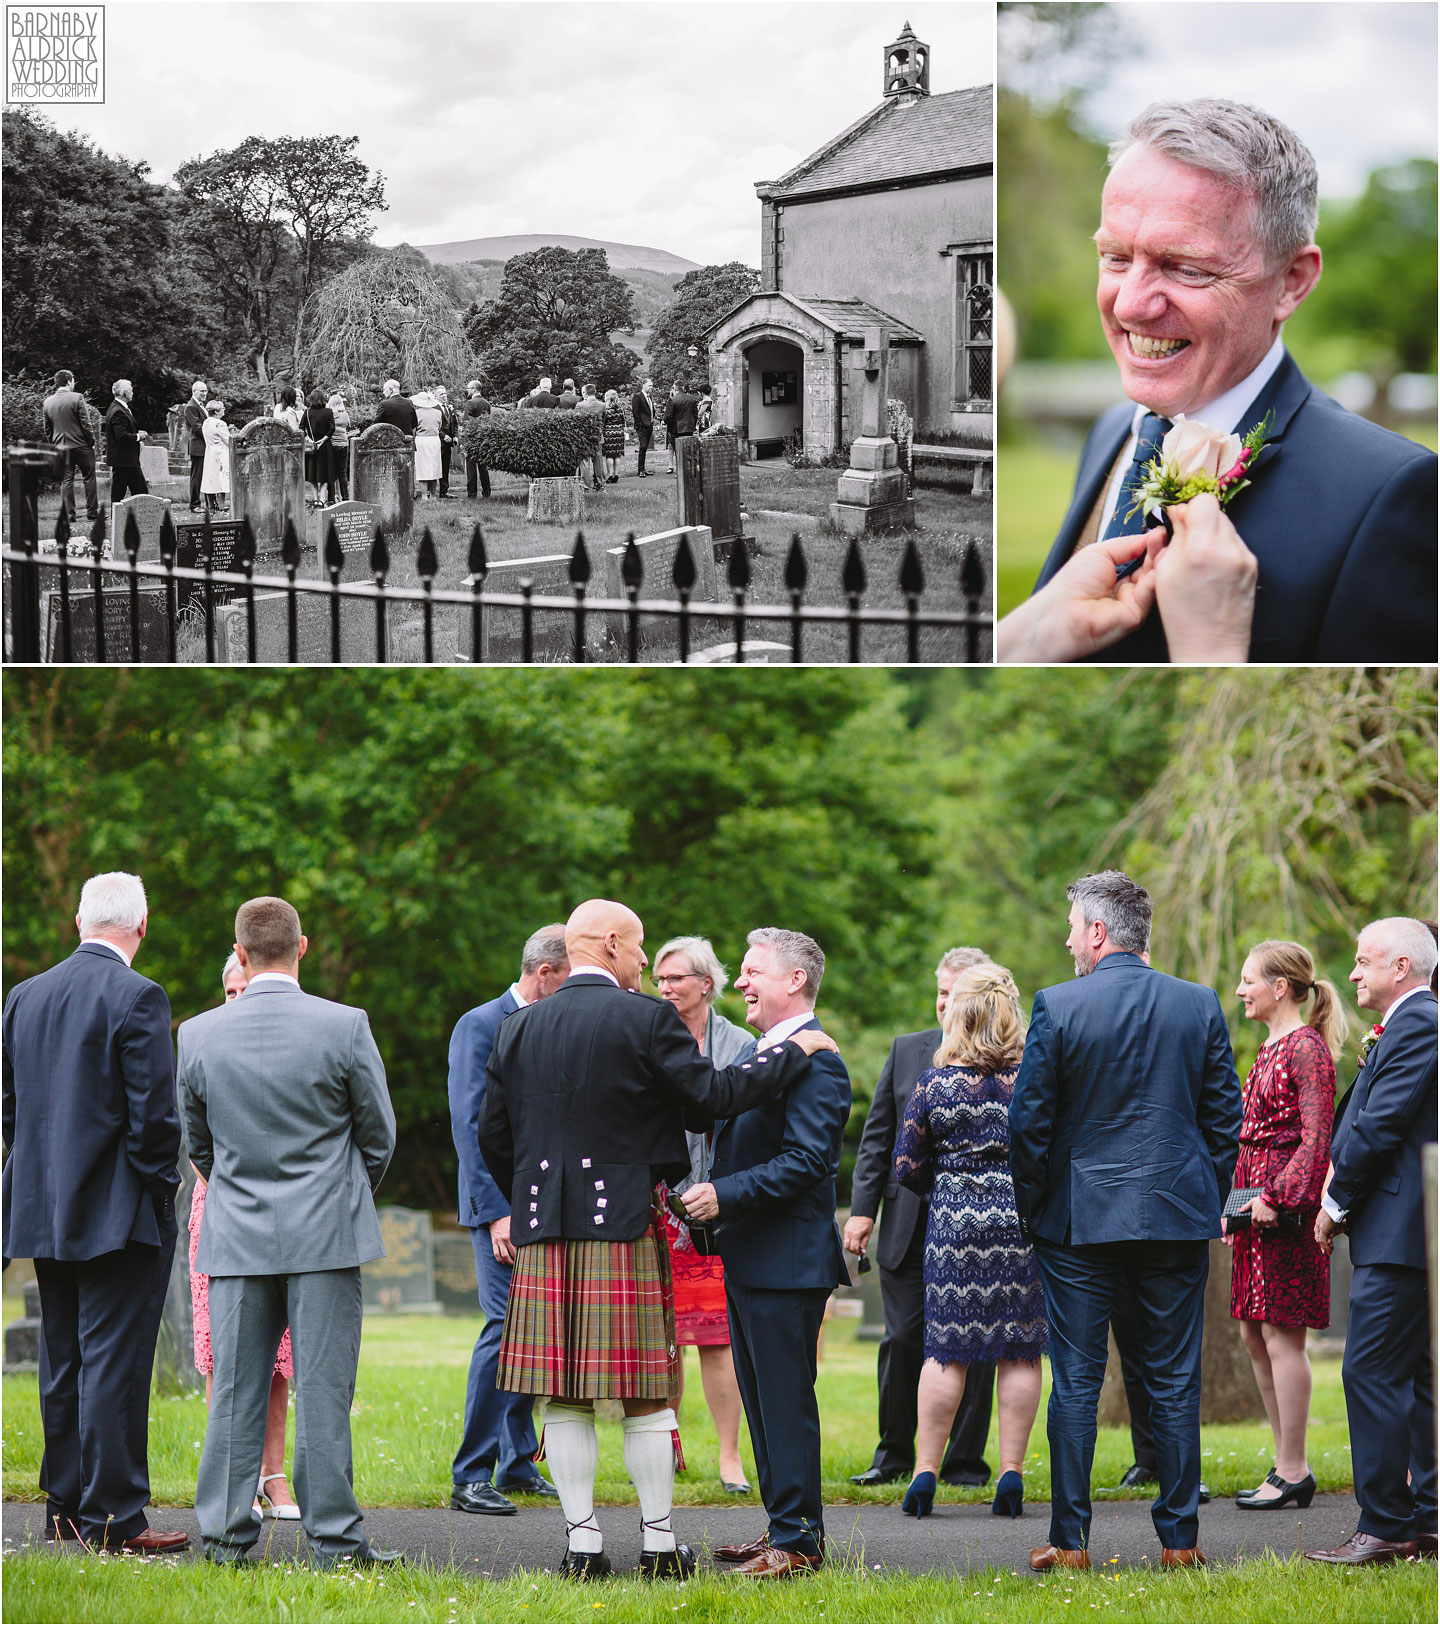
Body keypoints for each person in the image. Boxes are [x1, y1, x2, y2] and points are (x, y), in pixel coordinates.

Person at [477, 899, 836, 1581]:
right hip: (625, 1225)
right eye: (641, 948)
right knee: (644, 1390)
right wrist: (793, 1052)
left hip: (544, 1229)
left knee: (563, 1392)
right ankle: (658, 1544)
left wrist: (534, 1193)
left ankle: (582, 1546)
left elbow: (492, 1133)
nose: (647, 962)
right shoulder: (647, 1020)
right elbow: (711, 1098)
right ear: (612, 944)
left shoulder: (517, 1028)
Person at [1025, 99, 1435, 663]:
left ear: (1291, 282)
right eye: (1115, 257)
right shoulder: (1112, 431)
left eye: (1187, 268)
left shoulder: (1392, 493)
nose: (1130, 305)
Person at [1009, 871, 1241, 1572]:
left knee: (1076, 1381)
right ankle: (1180, 1543)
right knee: (1174, 1380)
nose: (1069, 939)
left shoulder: (1058, 1005)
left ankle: (1072, 1544)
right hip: (1174, 1218)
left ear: (1099, 932)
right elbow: (1225, 1120)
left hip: (1078, 1223)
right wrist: (1202, 1193)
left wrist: (1037, 1211)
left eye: (1074, 926)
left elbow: (1029, 1125)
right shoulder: (1198, 1004)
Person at [179, 895, 401, 1569]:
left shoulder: (197, 1033)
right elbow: (379, 1136)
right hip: (327, 1238)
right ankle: (335, 1543)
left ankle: (222, 1540)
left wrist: (242, 1192)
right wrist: (336, 1195)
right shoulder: (345, 1025)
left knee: (235, 1395)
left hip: (237, 1235)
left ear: (240, 956)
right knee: (325, 1392)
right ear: (301, 947)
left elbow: (199, 1144)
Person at [1, 872, 187, 1555]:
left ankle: (63, 1508)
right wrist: (158, 1186)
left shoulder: (24, 996)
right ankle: (114, 1518)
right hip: (117, 1211)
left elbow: (11, 1112)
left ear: (80, 922)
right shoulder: (138, 996)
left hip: (41, 1209)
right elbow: (154, 1120)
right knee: (113, 1362)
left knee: (63, 1361)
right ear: (141, 927)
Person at [686, 929, 851, 1579]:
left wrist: (722, 1195)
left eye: (753, 971)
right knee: (762, 1405)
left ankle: (800, 1544)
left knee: (785, 1404)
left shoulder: (819, 1061)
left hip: (787, 1260)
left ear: (795, 982)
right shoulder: (771, 1055)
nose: (740, 983)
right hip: (755, 1256)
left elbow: (809, 1162)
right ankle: (786, 1527)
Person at [892, 963, 1047, 1520]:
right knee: (1020, 1350)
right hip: (1018, 1225)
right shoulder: (1032, 1078)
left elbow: (906, 1167)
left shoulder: (934, 1084)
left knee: (946, 1350)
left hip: (955, 1225)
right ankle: (1010, 1473)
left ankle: (924, 1473)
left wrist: (951, 1179)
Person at [1306, 918, 1438, 1565]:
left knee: (1370, 1371)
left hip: (1399, 1229)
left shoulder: (1419, 1022)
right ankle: (1429, 1521)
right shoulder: (1413, 1022)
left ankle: (1385, 1526)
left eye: (1364, 962)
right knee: (1413, 1378)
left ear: (1401, 969)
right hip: (1407, 1229)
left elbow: (1380, 1126)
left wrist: (1334, 1203)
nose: (1353, 973)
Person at [845, 947, 998, 1491]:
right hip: (907, 1225)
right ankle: (893, 1455)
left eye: (953, 994)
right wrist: (862, 1213)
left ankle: (962, 1463)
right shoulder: (907, 1050)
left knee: (975, 1345)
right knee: (903, 1337)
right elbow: (876, 1141)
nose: (942, 1004)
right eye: (939, 992)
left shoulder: (1004, 1060)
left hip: (977, 1228)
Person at [447, 926, 569, 1516]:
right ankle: (471, 1473)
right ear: (544, 973)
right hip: (500, 1210)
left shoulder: (551, 1024)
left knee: (530, 1333)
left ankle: (518, 1463)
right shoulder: (480, 1023)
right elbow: (471, 1127)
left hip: (543, 1204)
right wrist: (498, 1212)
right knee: (503, 1329)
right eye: (570, 979)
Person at [1226, 940, 1343, 1510]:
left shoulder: (1308, 1049)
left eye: (1249, 980)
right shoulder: (1268, 1047)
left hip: (1286, 1212)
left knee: (1281, 1333)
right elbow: (1251, 1138)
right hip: (1254, 1207)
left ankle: (1294, 1468)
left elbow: (1317, 1140)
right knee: (1253, 1332)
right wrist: (1237, 1208)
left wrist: (1277, 1197)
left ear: (1280, 987)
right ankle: (1283, 1464)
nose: (1241, 989)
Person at [188, 952, 299, 1523]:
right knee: (224, 1357)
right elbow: (194, 1136)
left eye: (244, 989)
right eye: (229, 993)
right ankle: (231, 1481)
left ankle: (273, 1475)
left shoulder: (293, 1038)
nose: (237, 1000)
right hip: (220, 1208)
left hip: (287, 1211)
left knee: (279, 1357)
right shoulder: (205, 1042)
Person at [650, 936, 754, 1494]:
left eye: (676, 980)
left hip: (715, 1209)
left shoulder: (739, 1043)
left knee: (716, 1340)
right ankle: (666, 1448)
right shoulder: (649, 1035)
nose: (665, 988)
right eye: (660, 980)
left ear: (706, 984)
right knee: (665, 1336)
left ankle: (730, 1456)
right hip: (660, 1205)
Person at [43, 369, 99, 526]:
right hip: (81, 445)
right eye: (73, 380)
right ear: (68, 381)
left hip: (61, 446)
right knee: (89, 477)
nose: (74, 383)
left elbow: (47, 429)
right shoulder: (77, 398)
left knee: (66, 480)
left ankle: (69, 515)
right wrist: (92, 441)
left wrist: (55, 445)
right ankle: (92, 513)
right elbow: (85, 423)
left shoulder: (48, 402)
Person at [103, 379, 149, 504]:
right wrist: (138, 437)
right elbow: (121, 436)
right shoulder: (118, 410)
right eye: (131, 390)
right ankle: (144, 520)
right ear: (124, 392)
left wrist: (136, 435)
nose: (133, 392)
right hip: (125, 460)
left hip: (125, 459)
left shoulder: (118, 407)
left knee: (123, 492)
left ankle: (120, 518)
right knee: (139, 493)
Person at [302, 390, 336, 506]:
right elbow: (332, 428)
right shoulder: (328, 412)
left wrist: (309, 439)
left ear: (311, 399)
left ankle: (316, 499)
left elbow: (301, 428)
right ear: (322, 399)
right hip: (325, 446)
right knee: (324, 475)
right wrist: (323, 440)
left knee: (312, 475)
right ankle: (322, 499)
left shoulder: (307, 412)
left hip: (311, 447)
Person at [411, 389, 443, 500]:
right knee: (434, 468)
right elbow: (439, 427)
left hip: (421, 441)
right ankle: (433, 495)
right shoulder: (438, 413)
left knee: (423, 468)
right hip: (434, 440)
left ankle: (424, 495)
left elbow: (414, 430)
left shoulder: (416, 413)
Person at [575, 384, 607, 491]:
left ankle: (585, 485)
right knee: (598, 461)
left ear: (586, 393)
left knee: (585, 462)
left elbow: (576, 421)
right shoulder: (602, 405)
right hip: (597, 436)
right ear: (595, 391)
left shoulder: (580, 405)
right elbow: (604, 420)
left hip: (585, 436)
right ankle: (600, 483)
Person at [200, 401, 230, 514]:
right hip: (220, 453)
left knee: (210, 479)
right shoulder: (220, 423)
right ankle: (221, 506)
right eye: (222, 408)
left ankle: (211, 505)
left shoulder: (206, 422)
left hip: (209, 452)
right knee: (221, 479)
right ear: (216, 411)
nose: (224, 410)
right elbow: (228, 440)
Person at [463, 381, 492, 499]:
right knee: (483, 468)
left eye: (469, 388)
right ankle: (486, 492)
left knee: (471, 468)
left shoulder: (470, 403)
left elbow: (465, 422)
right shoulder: (487, 404)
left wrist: (464, 440)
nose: (467, 390)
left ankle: (472, 493)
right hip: (483, 438)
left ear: (474, 389)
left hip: (472, 439)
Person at [184, 380, 209, 511]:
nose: (204, 393)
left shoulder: (200, 405)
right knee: (197, 477)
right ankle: (194, 505)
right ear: (194, 392)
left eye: (205, 390)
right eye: (202, 391)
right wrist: (212, 435)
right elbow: (197, 428)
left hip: (205, 446)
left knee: (206, 476)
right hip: (198, 446)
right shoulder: (191, 406)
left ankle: (210, 504)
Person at [327, 392, 351, 501]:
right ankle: (345, 497)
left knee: (331, 472)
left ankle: (331, 498)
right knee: (342, 472)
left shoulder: (328, 415)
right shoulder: (345, 415)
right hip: (343, 445)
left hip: (332, 444)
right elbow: (348, 426)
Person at [602, 389, 626, 483]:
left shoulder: (606, 409)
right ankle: (616, 474)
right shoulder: (620, 408)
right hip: (619, 433)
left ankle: (610, 474)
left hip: (609, 434)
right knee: (617, 455)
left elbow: (603, 422)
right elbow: (623, 421)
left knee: (609, 455)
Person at [632, 380, 655, 476]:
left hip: (649, 425)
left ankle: (643, 468)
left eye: (652, 386)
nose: (651, 387)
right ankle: (640, 470)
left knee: (645, 448)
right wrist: (640, 424)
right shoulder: (638, 396)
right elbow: (635, 412)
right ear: (643, 385)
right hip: (642, 426)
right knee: (643, 446)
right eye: (649, 385)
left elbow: (650, 410)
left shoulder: (649, 397)